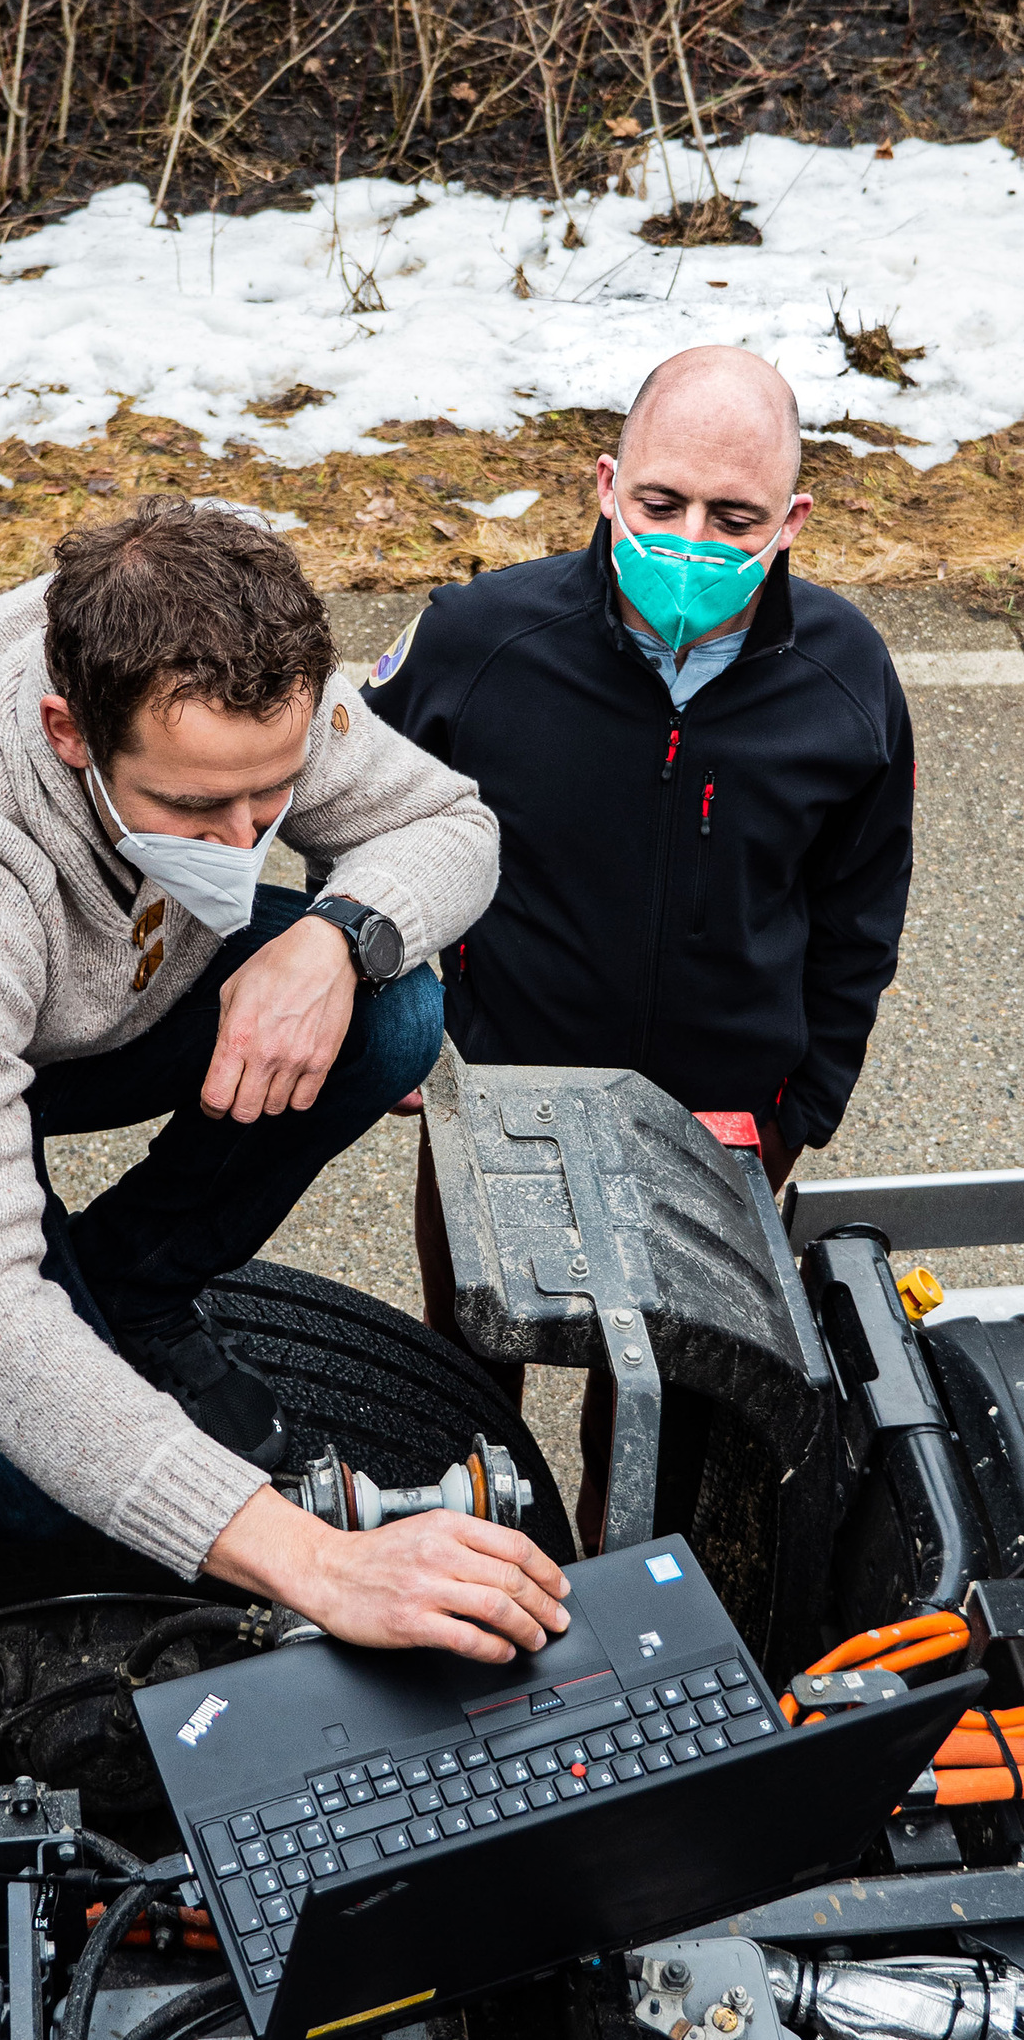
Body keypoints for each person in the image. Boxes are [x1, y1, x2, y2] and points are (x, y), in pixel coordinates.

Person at [0, 501, 571, 1663]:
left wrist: (335, 938)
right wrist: (319, 1563)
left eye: (276, 794)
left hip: (83, 1000)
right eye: (196, 809)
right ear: (67, 730)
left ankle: (129, 1286)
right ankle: (84, 1326)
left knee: (395, 1004)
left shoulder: (235, 669)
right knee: (21, 1489)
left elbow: (450, 822)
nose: (250, 838)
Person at [363, 345, 914, 1543]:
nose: (690, 542)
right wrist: (385, 1004)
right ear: (607, 484)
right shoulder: (475, 637)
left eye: (734, 518)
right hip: (503, 1096)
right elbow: (353, 810)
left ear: (793, 518)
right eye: (662, 505)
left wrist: (800, 1109)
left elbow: (861, 915)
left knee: (665, 1426)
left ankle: (629, 1621)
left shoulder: (849, 674)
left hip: (716, 1128)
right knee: (467, 1390)